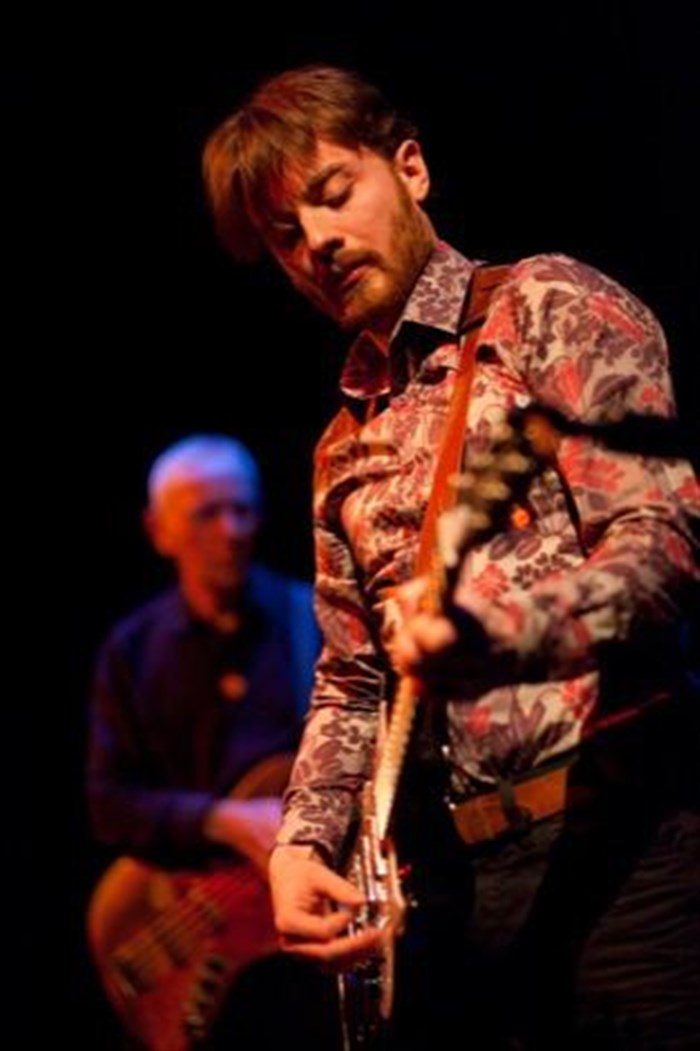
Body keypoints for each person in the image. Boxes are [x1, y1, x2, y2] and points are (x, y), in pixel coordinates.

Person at [201, 65, 700, 1050]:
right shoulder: (341, 445)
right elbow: (352, 680)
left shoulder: (545, 307)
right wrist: (300, 845)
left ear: (411, 168)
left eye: (333, 193)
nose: (317, 242)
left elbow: (662, 547)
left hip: (627, 841)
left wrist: (495, 631)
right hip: (455, 890)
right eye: (285, 234)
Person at [86, 433, 341, 1050]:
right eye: (207, 513)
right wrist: (222, 820)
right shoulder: (132, 650)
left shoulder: (310, 620)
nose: (231, 530)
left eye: (243, 509)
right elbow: (109, 803)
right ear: (160, 531)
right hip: (200, 924)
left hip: (303, 934)